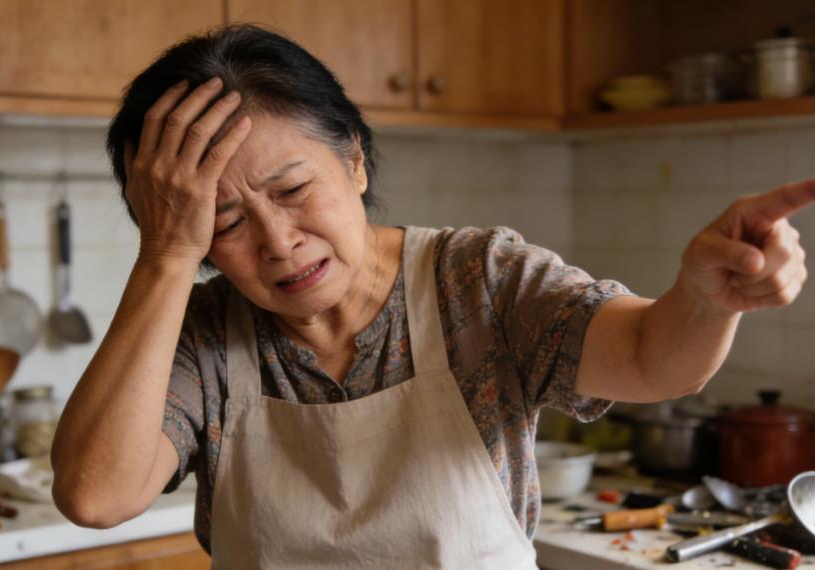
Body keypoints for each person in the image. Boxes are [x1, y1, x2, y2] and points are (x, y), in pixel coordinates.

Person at [50, 24, 812, 569]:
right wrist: (164, 254)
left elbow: (651, 359)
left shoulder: (477, 281)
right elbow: (95, 497)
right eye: (222, 221)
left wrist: (710, 297)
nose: (279, 241)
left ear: (353, 160)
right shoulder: (205, 334)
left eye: (292, 189)